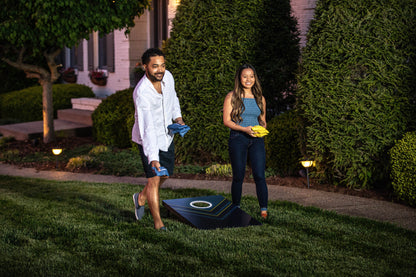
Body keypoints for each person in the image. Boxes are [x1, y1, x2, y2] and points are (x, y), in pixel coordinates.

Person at [131, 48, 185, 230]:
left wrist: (178, 118)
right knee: (154, 178)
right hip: (148, 139)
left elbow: (173, 98)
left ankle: (141, 198)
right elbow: (147, 129)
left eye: (162, 65)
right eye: (155, 67)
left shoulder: (168, 77)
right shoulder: (142, 94)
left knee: (166, 174)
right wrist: (153, 157)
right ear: (145, 67)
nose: (160, 70)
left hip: (166, 136)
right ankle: (158, 224)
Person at [222, 64, 269, 219]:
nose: (248, 79)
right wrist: (244, 129)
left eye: (251, 76)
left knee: (260, 175)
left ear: (255, 78)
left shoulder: (260, 98)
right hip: (238, 138)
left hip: (256, 140)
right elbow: (227, 121)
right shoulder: (232, 96)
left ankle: (263, 210)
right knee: (238, 175)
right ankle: (236, 207)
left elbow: (263, 120)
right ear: (239, 78)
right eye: (245, 76)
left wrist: (261, 129)